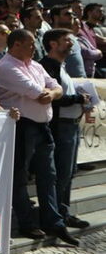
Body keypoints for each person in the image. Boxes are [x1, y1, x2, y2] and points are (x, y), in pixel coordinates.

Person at [0, 29, 76, 245]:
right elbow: (38, 92)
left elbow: (55, 87)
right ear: (17, 44)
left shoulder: (36, 65)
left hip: (42, 126)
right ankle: (27, 222)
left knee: (49, 175)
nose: (35, 47)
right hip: (21, 127)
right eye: (31, 44)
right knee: (20, 176)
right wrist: (49, 93)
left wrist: (51, 93)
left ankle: (53, 221)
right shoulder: (6, 66)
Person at [39, 29, 90, 230]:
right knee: (61, 172)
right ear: (53, 43)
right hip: (60, 127)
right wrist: (78, 99)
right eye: (66, 40)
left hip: (71, 125)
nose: (71, 43)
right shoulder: (47, 66)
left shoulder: (61, 66)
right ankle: (57, 215)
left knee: (68, 172)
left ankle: (63, 211)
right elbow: (54, 99)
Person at [49, 4, 86, 77]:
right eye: (67, 14)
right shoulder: (52, 38)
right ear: (56, 17)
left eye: (72, 14)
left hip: (82, 81)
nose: (71, 16)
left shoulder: (72, 36)